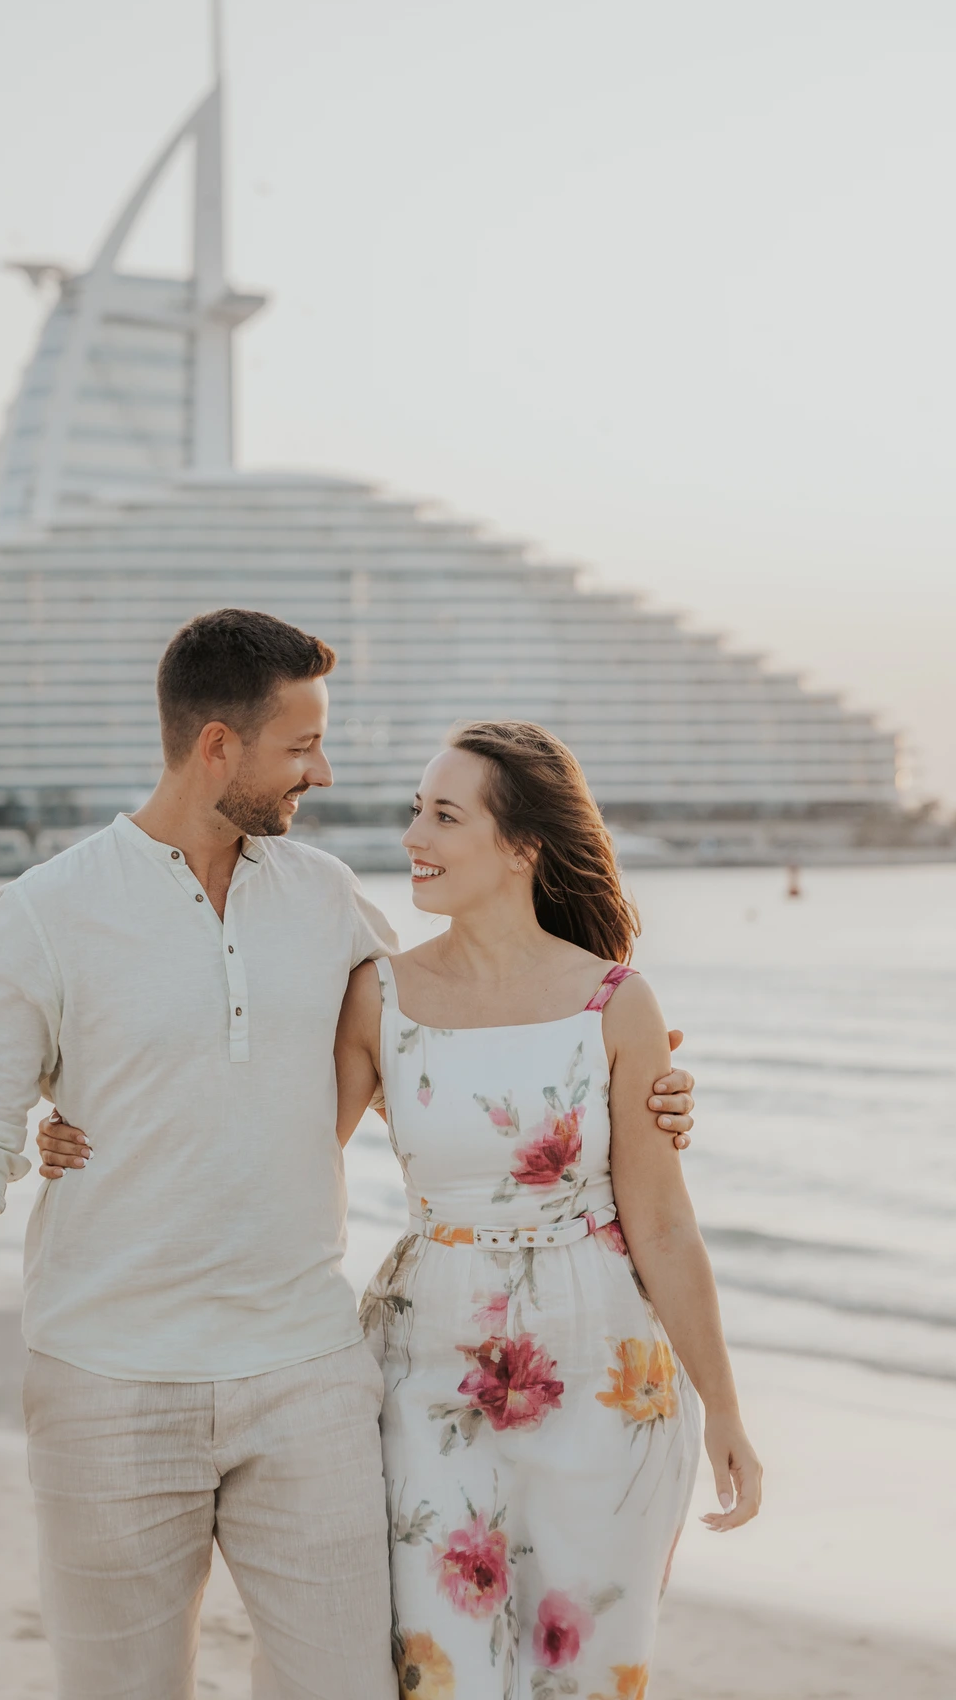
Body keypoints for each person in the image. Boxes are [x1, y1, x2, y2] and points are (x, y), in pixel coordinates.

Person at [0, 609, 697, 1700]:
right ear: (217, 745)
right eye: (299, 746)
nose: (321, 772)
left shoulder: (322, 898)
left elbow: (455, 1042)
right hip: (108, 1380)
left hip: (309, 1373)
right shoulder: (47, 914)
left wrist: (628, 1078)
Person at [334, 722, 762, 1700]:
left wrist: (725, 1408)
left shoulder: (612, 1002)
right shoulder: (377, 995)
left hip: (606, 1373)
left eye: (444, 815)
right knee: (436, 1670)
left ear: (521, 844)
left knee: (582, 1674)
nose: (414, 835)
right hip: (424, 1369)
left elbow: (660, 1223)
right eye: (415, 811)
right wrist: (82, 1130)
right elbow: (280, 1156)